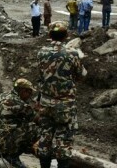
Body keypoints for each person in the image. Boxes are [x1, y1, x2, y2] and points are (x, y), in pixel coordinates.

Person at [37, 21, 84, 168]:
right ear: (66, 36)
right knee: (64, 138)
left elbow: (40, 75)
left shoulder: (41, 52)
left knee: (45, 136)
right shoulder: (72, 54)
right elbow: (81, 75)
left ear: (50, 35)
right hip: (65, 104)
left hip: (45, 102)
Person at [0, 78, 39, 168]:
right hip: (2, 144)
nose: (30, 96)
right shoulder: (18, 103)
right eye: (29, 92)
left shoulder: (2, 95)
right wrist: (39, 109)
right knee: (36, 128)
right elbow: (36, 119)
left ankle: (6, 152)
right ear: (22, 91)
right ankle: (12, 157)